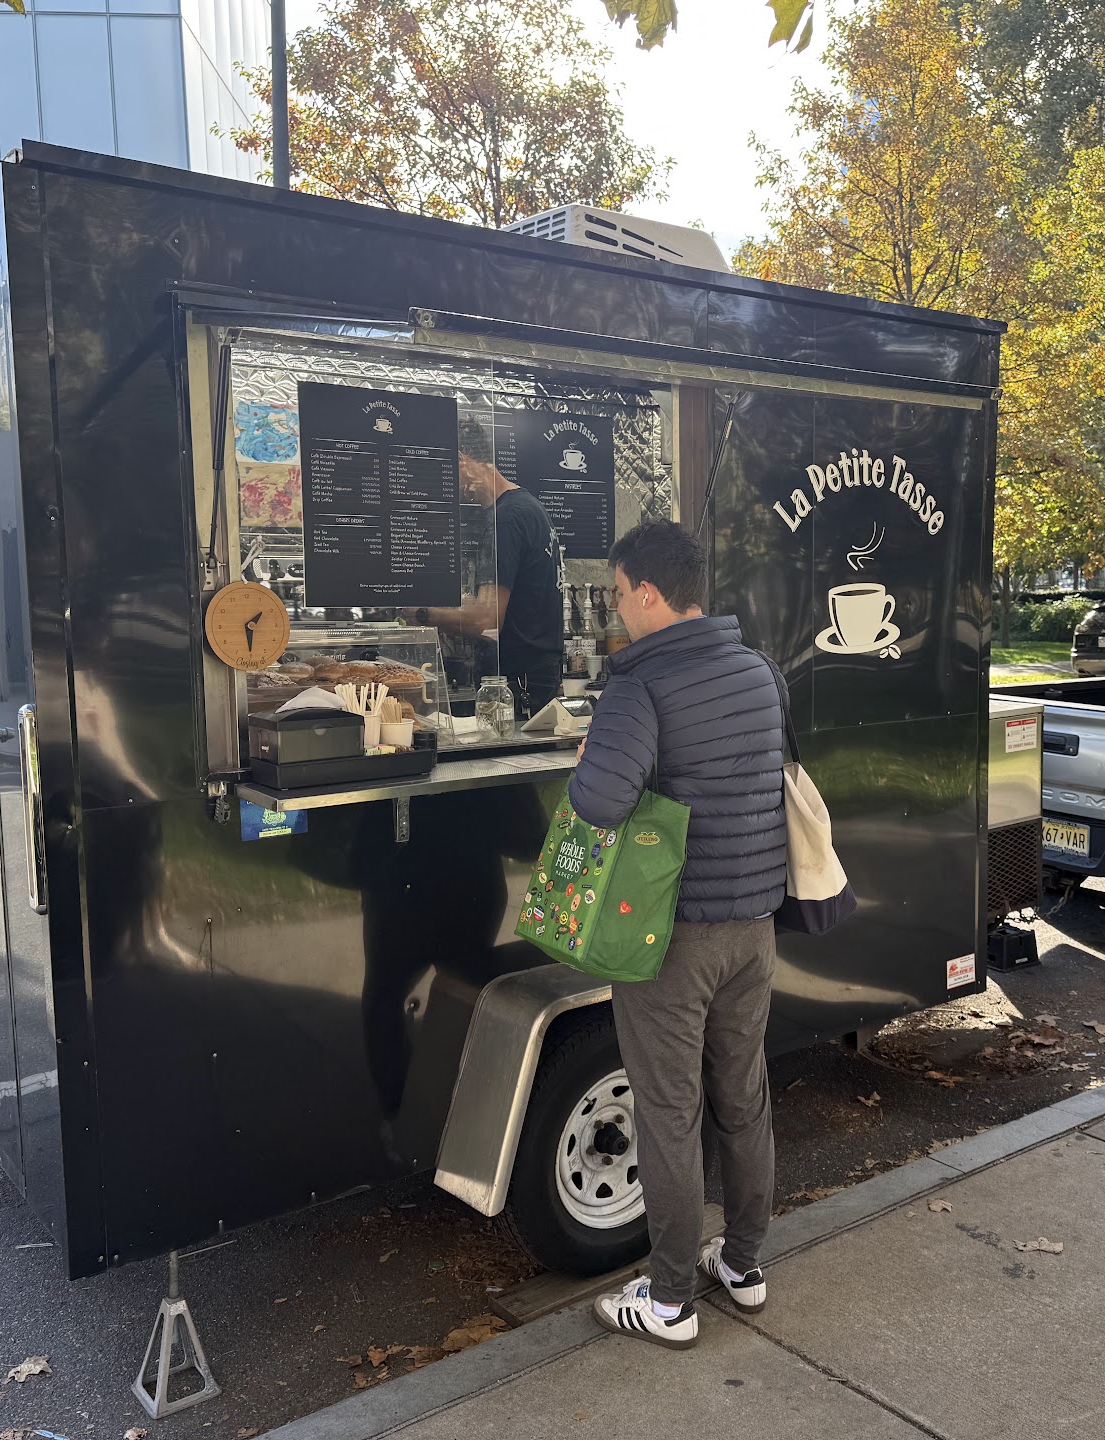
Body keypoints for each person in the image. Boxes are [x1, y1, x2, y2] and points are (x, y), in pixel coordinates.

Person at [567, 519, 788, 1351]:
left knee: (667, 1112)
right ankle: (744, 1263)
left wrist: (590, 753)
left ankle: (667, 1301)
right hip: (752, 928)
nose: (616, 611)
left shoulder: (640, 687)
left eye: (619, 595)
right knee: (743, 1096)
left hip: (672, 938)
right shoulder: (759, 671)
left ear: (649, 593)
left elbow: (599, 804)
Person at [419, 414, 564, 717]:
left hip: (519, 685)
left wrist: (422, 613)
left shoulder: (506, 519)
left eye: (443, 474)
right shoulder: (529, 506)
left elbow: (485, 617)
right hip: (535, 678)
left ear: (461, 461)